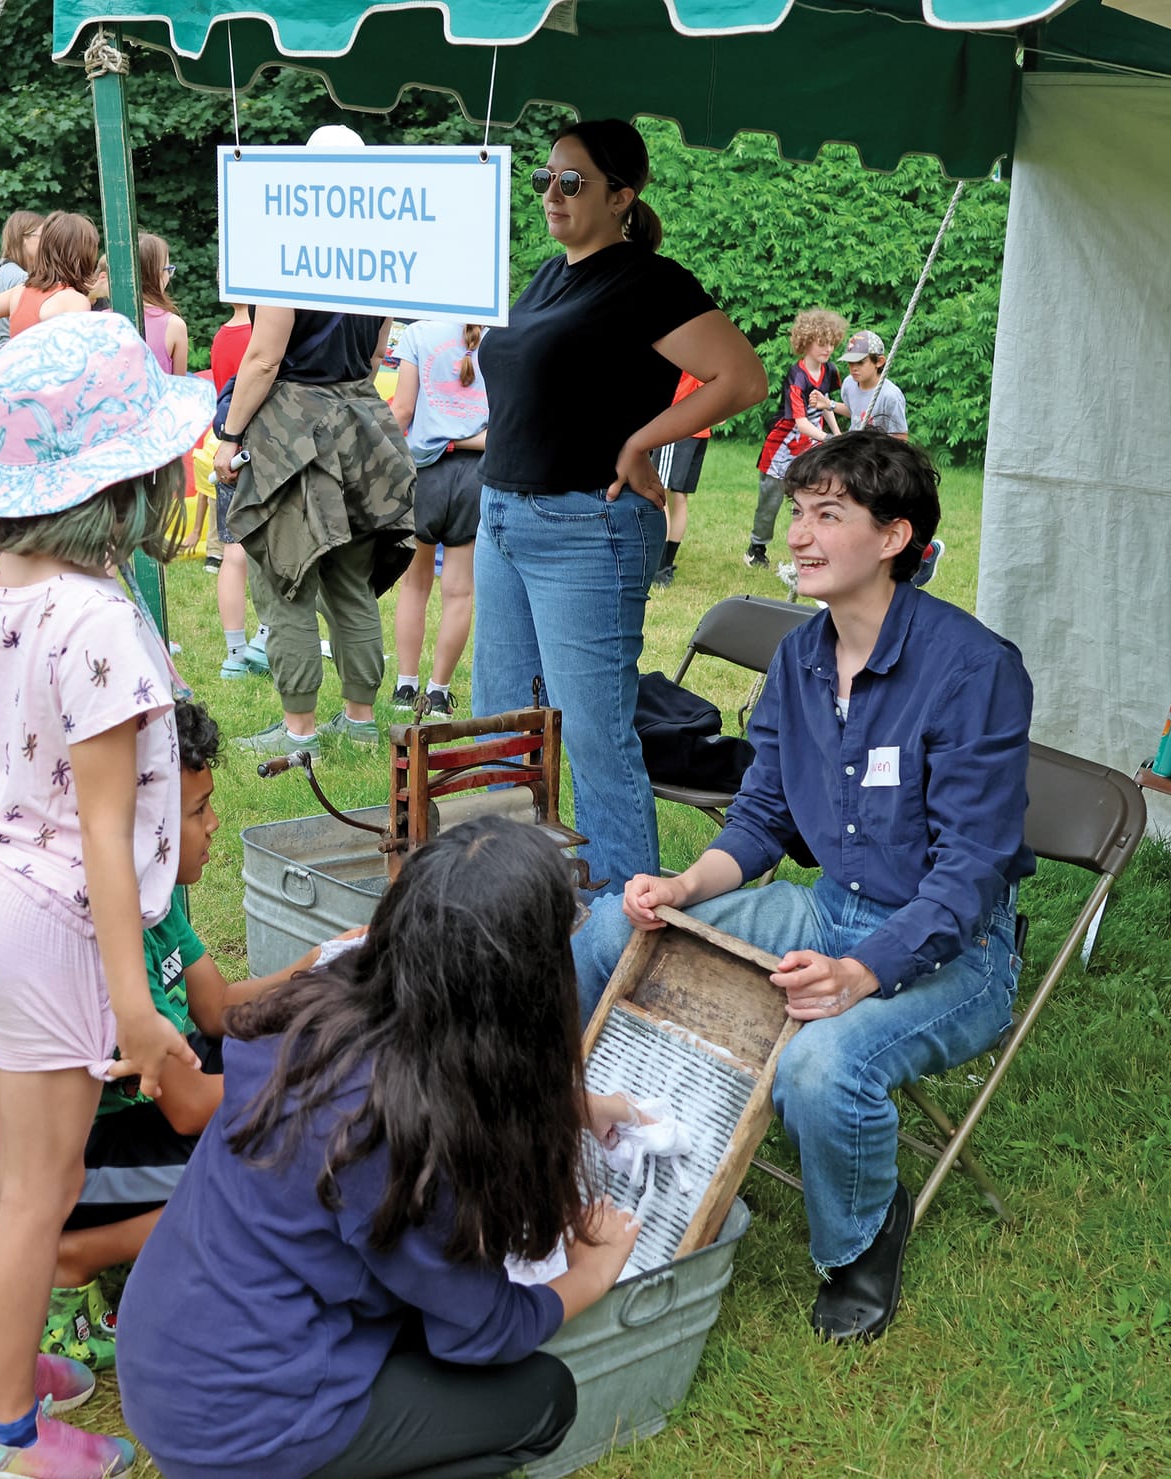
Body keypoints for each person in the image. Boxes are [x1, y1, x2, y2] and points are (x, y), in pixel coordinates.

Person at [575, 432, 1033, 1344]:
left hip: (957, 949)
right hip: (827, 908)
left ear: (895, 536)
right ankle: (595, 1138)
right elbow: (761, 818)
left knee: (822, 1066)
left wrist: (861, 973)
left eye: (829, 515)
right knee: (606, 929)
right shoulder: (800, 657)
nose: (800, 535)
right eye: (797, 513)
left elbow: (970, 873)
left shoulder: (974, 668)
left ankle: (864, 1237)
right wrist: (685, 883)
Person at [0, 310, 212, 1479]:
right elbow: (102, 829)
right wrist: (136, 1004)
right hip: (46, 920)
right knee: (43, 1186)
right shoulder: (100, 620)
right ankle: (3, 1437)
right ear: (124, 482)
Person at [118, 815, 646, 1479]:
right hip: (243, 1428)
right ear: (525, 989)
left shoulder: (322, 1014)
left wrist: (566, 1107)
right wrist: (588, 1276)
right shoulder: (410, 1133)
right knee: (541, 1399)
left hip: (167, 1357)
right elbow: (479, 1332)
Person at [475, 118, 767, 890]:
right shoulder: (548, 275)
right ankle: (509, 904)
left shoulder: (649, 281)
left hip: (586, 528)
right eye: (544, 178)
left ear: (621, 196)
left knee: (596, 740)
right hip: (502, 518)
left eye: (571, 181)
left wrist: (642, 440)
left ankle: (622, 924)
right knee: (502, 729)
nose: (552, 193)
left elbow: (742, 377)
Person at [45, 699, 345, 1371]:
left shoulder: (156, 895)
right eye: (197, 811)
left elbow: (217, 1010)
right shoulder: (109, 932)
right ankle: (75, 1256)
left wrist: (320, 966)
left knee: (261, 1073)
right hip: (88, 1153)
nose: (213, 825)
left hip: (154, 1105)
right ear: (141, 822)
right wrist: (318, 1071)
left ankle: (142, 1249)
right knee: (266, 1166)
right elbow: (185, 1106)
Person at [216, 129, 415, 756]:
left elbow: (263, 357)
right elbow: (378, 352)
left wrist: (229, 436)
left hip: (293, 432)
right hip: (359, 422)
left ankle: (298, 731)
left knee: (288, 580)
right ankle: (359, 724)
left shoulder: (286, 248)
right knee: (351, 581)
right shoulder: (378, 253)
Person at [388, 318, 489, 717]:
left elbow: (402, 410)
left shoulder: (419, 333)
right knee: (460, 591)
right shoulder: (499, 335)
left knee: (415, 583)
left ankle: (405, 687)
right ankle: (440, 694)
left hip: (425, 472)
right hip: (476, 474)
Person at [746, 307, 847, 567]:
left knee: (815, 495)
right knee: (771, 501)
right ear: (806, 342)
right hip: (783, 446)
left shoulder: (830, 369)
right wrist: (829, 439)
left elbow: (825, 404)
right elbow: (801, 423)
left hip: (814, 443)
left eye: (831, 344)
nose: (828, 349)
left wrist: (838, 434)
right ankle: (756, 548)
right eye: (821, 343)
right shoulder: (797, 375)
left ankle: (813, 546)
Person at [206, 303, 268, 677]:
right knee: (272, 551)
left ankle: (234, 654)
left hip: (227, 452)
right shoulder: (263, 333)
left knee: (232, 550)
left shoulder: (221, 336)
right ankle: (265, 637)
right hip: (262, 449)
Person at [0, 209, 98, 355]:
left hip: (17, 368)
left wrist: (0, 359)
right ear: (84, 254)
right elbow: (77, 357)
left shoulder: (20, 291)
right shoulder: (75, 300)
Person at [649, 371, 710, 588]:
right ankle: (665, 565)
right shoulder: (707, 355)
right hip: (699, 429)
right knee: (679, 497)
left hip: (677, 427)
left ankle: (659, 568)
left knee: (661, 493)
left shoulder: (684, 354)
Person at [0, 209, 43, 348]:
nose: (47, 243)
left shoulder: (1, 272)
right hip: (18, 350)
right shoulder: (22, 278)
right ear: (24, 239)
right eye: (43, 236)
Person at [838, 330, 908, 439]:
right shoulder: (849, 383)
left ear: (879, 361)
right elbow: (854, 412)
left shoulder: (891, 396)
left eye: (860, 362)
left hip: (878, 448)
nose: (854, 368)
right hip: (854, 444)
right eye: (850, 362)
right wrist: (829, 404)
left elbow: (900, 436)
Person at [137, 230, 188, 374]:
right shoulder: (175, 325)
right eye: (168, 269)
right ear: (156, 273)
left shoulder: (104, 318)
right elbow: (179, 383)